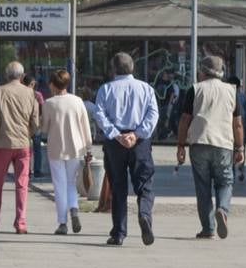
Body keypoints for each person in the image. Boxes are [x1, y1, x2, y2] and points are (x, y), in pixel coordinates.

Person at [92, 51, 159, 246]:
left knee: (118, 186)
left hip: (115, 143)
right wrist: (137, 134)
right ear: (132, 68)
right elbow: (153, 114)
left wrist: (116, 134)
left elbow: (100, 114)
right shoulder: (146, 88)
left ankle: (119, 232)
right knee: (145, 183)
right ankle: (144, 214)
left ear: (113, 69)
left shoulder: (106, 89)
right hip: (139, 142)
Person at [176, 56, 244, 240]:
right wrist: (240, 148)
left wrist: (181, 145)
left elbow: (184, 120)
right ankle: (222, 209)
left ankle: (208, 228)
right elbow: (237, 124)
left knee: (202, 186)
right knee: (225, 181)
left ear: (203, 71)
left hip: (199, 143)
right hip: (223, 144)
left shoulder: (195, 89)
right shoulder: (232, 91)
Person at [0, 61, 39, 234]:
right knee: (22, 184)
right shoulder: (30, 93)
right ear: (22, 76)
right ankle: (20, 222)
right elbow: (35, 122)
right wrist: (27, 134)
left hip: (3, 144)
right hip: (23, 144)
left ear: (6, 75)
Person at [41, 69, 93, 235]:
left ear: (53, 84)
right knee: (71, 183)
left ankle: (62, 222)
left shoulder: (49, 103)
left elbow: (44, 128)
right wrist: (88, 147)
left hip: (56, 148)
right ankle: (74, 209)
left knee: (59, 185)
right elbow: (85, 126)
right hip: (76, 147)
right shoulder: (78, 101)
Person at [22, 73, 47, 178]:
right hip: (36, 124)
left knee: (26, 149)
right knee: (37, 149)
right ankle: (37, 170)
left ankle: (26, 170)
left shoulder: (21, 93)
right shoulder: (37, 95)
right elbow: (42, 108)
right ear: (32, 84)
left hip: (24, 124)